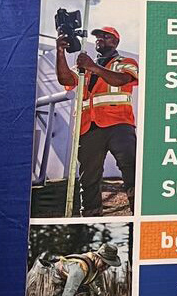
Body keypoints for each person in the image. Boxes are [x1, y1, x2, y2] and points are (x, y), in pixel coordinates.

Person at [54, 24, 138, 215]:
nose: (100, 38)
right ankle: (90, 215)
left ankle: (137, 212)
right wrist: (60, 52)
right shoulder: (83, 67)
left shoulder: (125, 62)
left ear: (116, 42)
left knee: (130, 167)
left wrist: (93, 66)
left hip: (119, 124)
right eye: (98, 36)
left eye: (106, 36)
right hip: (87, 127)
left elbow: (122, 80)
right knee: (88, 178)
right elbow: (65, 80)